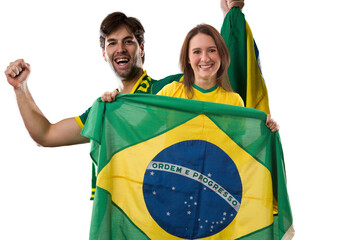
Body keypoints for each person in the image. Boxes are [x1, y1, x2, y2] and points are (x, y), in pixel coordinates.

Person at [4, 0, 245, 148]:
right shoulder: (106, 109)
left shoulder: (171, 88)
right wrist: (20, 88)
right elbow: (46, 135)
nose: (120, 49)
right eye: (112, 43)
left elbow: (214, 71)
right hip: (123, 217)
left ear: (141, 48)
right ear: (104, 54)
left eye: (128, 41)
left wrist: (230, 15)